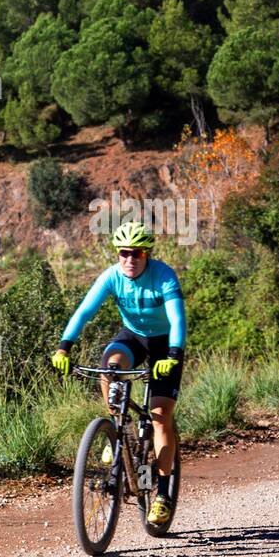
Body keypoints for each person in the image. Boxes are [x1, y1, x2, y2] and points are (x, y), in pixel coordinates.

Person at [50, 221, 186, 526]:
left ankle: (162, 495)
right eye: (124, 253)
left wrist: (174, 355)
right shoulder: (112, 276)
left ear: (147, 253)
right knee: (110, 364)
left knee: (161, 416)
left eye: (136, 253)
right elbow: (85, 311)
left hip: (165, 344)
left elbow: (178, 319)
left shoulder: (163, 276)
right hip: (134, 336)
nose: (129, 259)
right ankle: (116, 431)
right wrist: (63, 348)